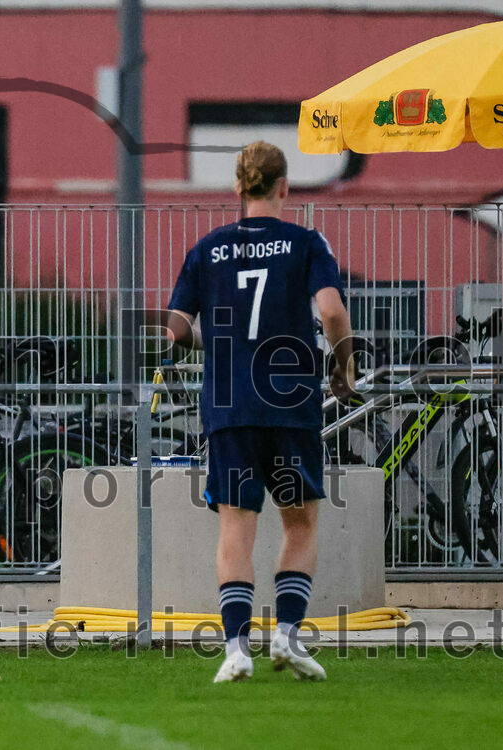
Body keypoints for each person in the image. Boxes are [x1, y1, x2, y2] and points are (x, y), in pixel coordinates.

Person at [165, 141, 355, 683]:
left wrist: (199, 343)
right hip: (291, 403)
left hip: (230, 407)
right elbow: (331, 310)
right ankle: (288, 637)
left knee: (235, 528)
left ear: (237, 188)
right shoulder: (306, 242)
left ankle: (235, 650)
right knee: (299, 523)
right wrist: (344, 364)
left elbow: (174, 330)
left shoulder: (208, 248)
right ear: (283, 187)